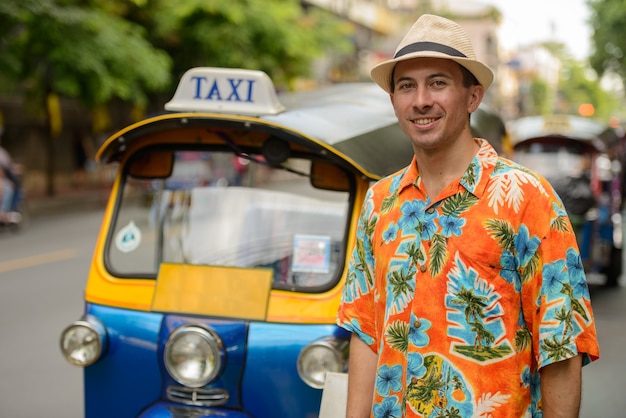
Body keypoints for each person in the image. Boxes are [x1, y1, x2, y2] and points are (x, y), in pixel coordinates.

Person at [336, 14, 599, 418]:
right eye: (407, 86)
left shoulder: (527, 197)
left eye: (438, 83)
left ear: (473, 97)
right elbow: (365, 333)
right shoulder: (379, 202)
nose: (421, 99)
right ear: (394, 101)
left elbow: (561, 345)